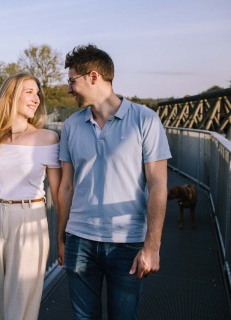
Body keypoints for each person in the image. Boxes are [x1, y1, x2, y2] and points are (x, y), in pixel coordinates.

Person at [57, 44, 171, 320]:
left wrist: (152, 247)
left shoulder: (145, 119)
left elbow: (158, 185)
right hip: (80, 240)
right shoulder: (71, 125)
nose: (69, 89)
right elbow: (66, 187)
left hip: (127, 242)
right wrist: (61, 238)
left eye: (72, 81)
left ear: (93, 76)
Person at [0, 72, 62, 320]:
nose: (36, 99)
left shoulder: (47, 139)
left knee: (19, 308)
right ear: (10, 96)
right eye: (29, 92)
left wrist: (63, 237)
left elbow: (61, 193)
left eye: (38, 93)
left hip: (28, 221)